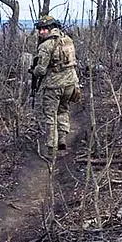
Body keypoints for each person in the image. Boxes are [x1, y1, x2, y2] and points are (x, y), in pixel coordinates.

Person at [30, 16, 80, 156]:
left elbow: (41, 70)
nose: (41, 32)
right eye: (40, 29)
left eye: (44, 29)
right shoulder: (68, 40)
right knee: (63, 110)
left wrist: (33, 71)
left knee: (51, 115)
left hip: (54, 85)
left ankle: (52, 149)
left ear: (51, 29)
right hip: (71, 83)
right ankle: (62, 140)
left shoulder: (46, 46)